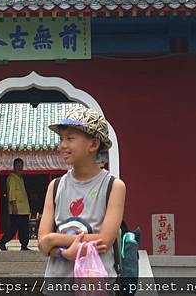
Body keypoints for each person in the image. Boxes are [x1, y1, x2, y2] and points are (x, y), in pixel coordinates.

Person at [37, 104, 126, 292]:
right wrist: (64, 253)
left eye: (70, 138)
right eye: (61, 139)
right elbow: (42, 243)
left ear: (93, 144)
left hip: (96, 286)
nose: (62, 145)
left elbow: (104, 240)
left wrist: (54, 239)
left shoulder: (113, 186)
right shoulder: (55, 186)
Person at [0, 158, 31, 251]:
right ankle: (3, 242)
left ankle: (24, 245)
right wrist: (14, 206)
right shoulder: (12, 178)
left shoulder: (20, 178)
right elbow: (11, 193)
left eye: (21, 165)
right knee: (13, 228)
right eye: (18, 165)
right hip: (17, 209)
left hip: (24, 209)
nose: (20, 167)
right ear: (14, 166)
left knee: (24, 228)